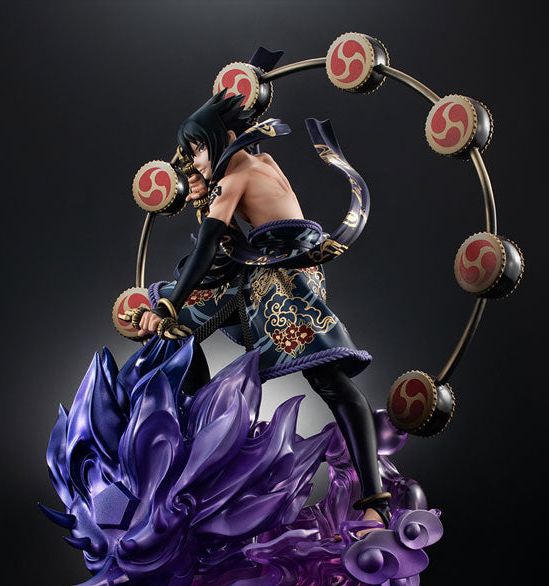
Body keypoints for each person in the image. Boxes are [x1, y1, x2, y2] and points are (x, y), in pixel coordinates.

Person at [138, 90, 392, 531]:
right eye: (190, 153)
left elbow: (207, 248)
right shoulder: (263, 162)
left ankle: (377, 504)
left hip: (282, 282)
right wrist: (205, 194)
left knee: (329, 382)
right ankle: (203, 442)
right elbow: (239, 234)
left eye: (199, 149)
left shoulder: (234, 179)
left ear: (224, 139)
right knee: (182, 327)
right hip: (271, 273)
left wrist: (166, 304)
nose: (195, 161)